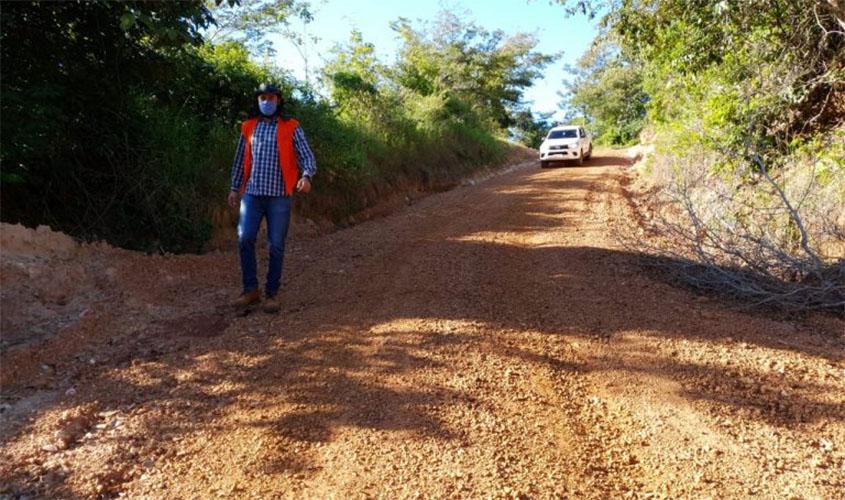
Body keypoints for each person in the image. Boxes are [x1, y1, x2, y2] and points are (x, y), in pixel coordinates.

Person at [227, 83, 316, 313]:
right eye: (263, 98)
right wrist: (234, 188)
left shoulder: (291, 126)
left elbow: (307, 156)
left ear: (279, 100)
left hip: (279, 197)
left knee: (276, 245)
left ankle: (272, 293)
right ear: (258, 101)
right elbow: (239, 159)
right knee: (245, 238)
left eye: (271, 98)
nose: (267, 101)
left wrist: (306, 176)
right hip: (252, 195)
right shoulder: (248, 127)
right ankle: (250, 290)